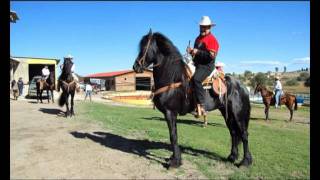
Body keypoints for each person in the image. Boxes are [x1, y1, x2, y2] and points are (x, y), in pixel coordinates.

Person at [186, 16, 219, 117]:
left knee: (196, 79)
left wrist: (198, 51)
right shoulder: (198, 39)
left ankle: (203, 106)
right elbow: (196, 54)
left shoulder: (212, 39)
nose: (203, 29)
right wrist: (191, 52)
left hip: (207, 66)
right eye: (202, 27)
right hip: (198, 65)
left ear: (210, 27)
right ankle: (193, 106)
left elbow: (211, 56)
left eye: (206, 27)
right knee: (188, 80)